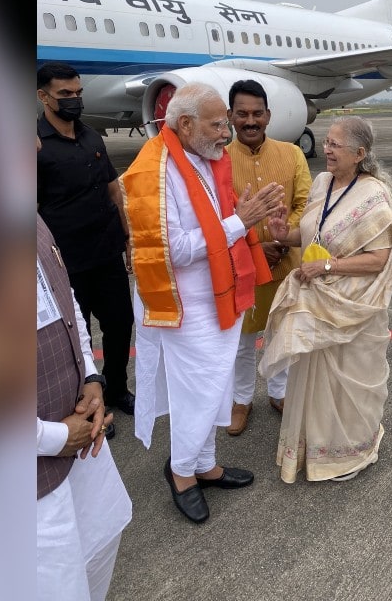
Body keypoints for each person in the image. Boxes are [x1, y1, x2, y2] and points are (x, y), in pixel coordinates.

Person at [123, 82, 285, 523]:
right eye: (217, 124)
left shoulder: (201, 159)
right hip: (185, 306)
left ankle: (205, 465)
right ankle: (181, 473)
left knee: (213, 387)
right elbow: (170, 250)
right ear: (186, 123)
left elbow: (214, 222)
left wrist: (240, 214)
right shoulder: (153, 170)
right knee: (197, 391)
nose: (226, 132)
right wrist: (238, 222)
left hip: (219, 296)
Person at [259, 116, 392, 483]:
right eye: (326, 142)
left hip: (352, 305)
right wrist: (286, 234)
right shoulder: (323, 182)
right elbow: (312, 234)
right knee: (313, 381)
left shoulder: (374, 194)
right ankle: (317, 449)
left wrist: (328, 266)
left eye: (335, 145)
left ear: (359, 153)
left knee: (345, 384)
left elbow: (380, 258)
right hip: (318, 297)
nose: (326, 149)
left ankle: (349, 453)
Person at [37, 214, 131, 601]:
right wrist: (57, 437)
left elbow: (62, 295)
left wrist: (92, 378)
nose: (40, 148)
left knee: (101, 541)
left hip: (80, 441)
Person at [37, 62, 136, 416]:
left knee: (120, 324)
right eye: (65, 94)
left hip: (107, 252)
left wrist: (125, 236)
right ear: (43, 97)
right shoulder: (35, 147)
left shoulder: (92, 136)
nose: (74, 100)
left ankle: (118, 390)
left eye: (78, 93)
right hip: (66, 261)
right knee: (77, 339)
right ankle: (87, 406)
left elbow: (112, 189)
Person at [224, 80, 312, 435]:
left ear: (268, 115)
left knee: (280, 333)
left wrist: (282, 237)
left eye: (257, 113)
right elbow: (214, 218)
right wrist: (254, 250)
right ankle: (241, 400)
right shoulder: (216, 161)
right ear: (230, 116)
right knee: (241, 341)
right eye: (242, 113)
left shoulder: (292, 154)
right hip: (239, 269)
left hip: (285, 263)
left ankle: (279, 392)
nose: (250, 121)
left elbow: (306, 205)